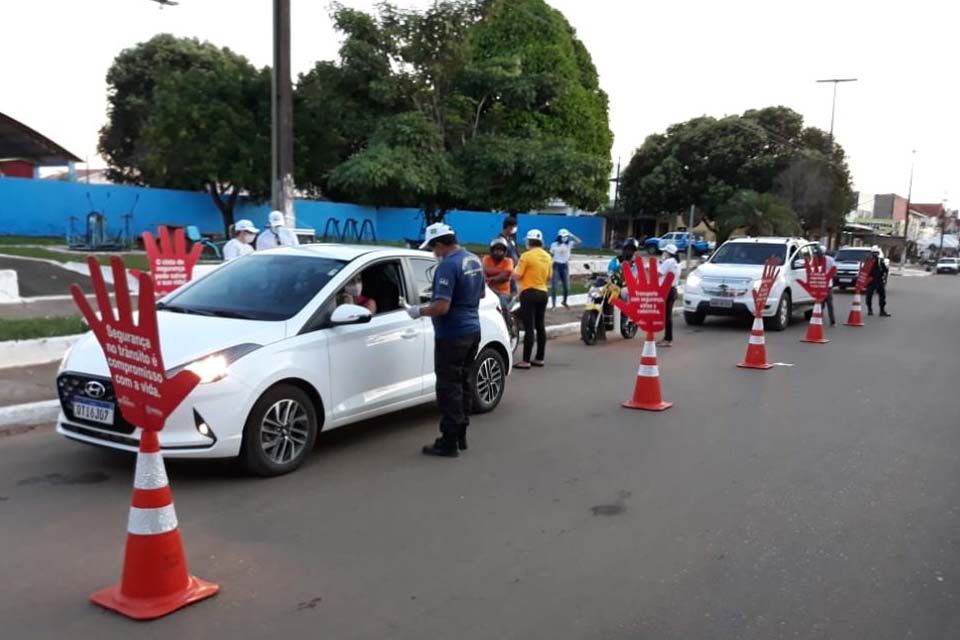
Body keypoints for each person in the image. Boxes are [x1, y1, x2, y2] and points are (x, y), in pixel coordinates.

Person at [404, 223, 485, 458]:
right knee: (463, 383)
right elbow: (480, 293)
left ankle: (448, 442)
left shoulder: (448, 266)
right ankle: (461, 435)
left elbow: (441, 307)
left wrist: (418, 311)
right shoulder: (473, 259)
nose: (433, 252)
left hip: (452, 335)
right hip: (472, 330)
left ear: (440, 244)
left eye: (433, 247)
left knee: (448, 388)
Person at [513, 229, 552, 369]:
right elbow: (549, 277)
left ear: (528, 241)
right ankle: (540, 358)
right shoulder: (547, 256)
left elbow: (517, 276)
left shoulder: (526, 256)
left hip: (528, 293)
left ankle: (526, 360)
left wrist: (510, 272)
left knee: (529, 327)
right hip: (543, 293)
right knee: (540, 326)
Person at [483, 237, 515, 329]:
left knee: (502, 305)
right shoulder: (486, 259)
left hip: (503, 292)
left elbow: (505, 276)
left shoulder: (508, 261)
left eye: (501, 250)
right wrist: (499, 272)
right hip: (488, 291)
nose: (498, 252)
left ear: (505, 251)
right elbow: (484, 271)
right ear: (492, 250)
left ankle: (509, 326)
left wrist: (491, 277)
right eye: (496, 249)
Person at [657, 244, 682, 347]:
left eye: (665, 252)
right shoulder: (676, 263)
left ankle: (668, 339)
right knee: (667, 315)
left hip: (666, 290)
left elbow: (658, 273)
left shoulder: (668, 262)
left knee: (666, 316)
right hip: (673, 290)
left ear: (669, 253)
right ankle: (667, 337)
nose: (663, 253)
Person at [549, 228, 581, 308]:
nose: (564, 238)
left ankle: (564, 301)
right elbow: (551, 255)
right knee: (554, 287)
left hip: (565, 266)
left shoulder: (569, 244)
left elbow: (579, 242)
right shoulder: (554, 244)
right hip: (556, 265)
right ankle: (553, 304)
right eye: (563, 236)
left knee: (566, 287)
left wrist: (571, 235)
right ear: (559, 236)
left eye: (566, 236)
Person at [814, 245, 837, 326]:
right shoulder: (815, 260)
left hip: (828, 286)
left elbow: (834, 269)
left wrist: (829, 277)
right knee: (819, 304)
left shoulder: (829, 260)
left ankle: (833, 321)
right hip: (819, 286)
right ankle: (818, 319)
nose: (818, 256)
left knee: (829, 303)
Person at [498, 216, 520, 296]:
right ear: (509, 227)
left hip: (513, 271)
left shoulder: (511, 239)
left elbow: (516, 252)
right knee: (507, 294)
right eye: (514, 227)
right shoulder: (500, 240)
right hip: (505, 272)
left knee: (515, 294)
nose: (515, 229)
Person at [866, 247, 890, 317]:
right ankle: (870, 310)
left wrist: (884, 278)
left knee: (882, 296)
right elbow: (865, 271)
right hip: (871, 280)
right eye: (874, 253)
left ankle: (882, 311)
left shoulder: (880, 261)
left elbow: (885, 270)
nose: (875, 255)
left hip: (879, 280)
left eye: (876, 253)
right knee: (869, 296)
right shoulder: (868, 261)